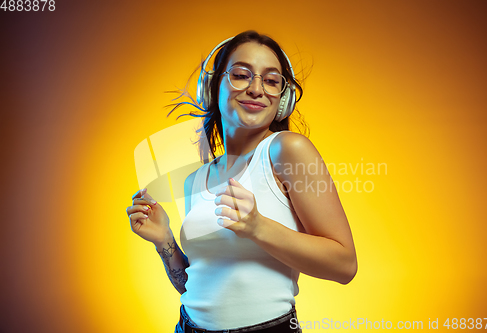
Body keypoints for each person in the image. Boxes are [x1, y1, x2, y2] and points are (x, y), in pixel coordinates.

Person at [126, 30, 357, 332]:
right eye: (241, 75)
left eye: (271, 81)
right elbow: (193, 289)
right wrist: (164, 240)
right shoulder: (196, 180)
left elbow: (344, 265)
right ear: (214, 87)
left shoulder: (286, 150)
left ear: (282, 99)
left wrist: (257, 227)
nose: (257, 89)